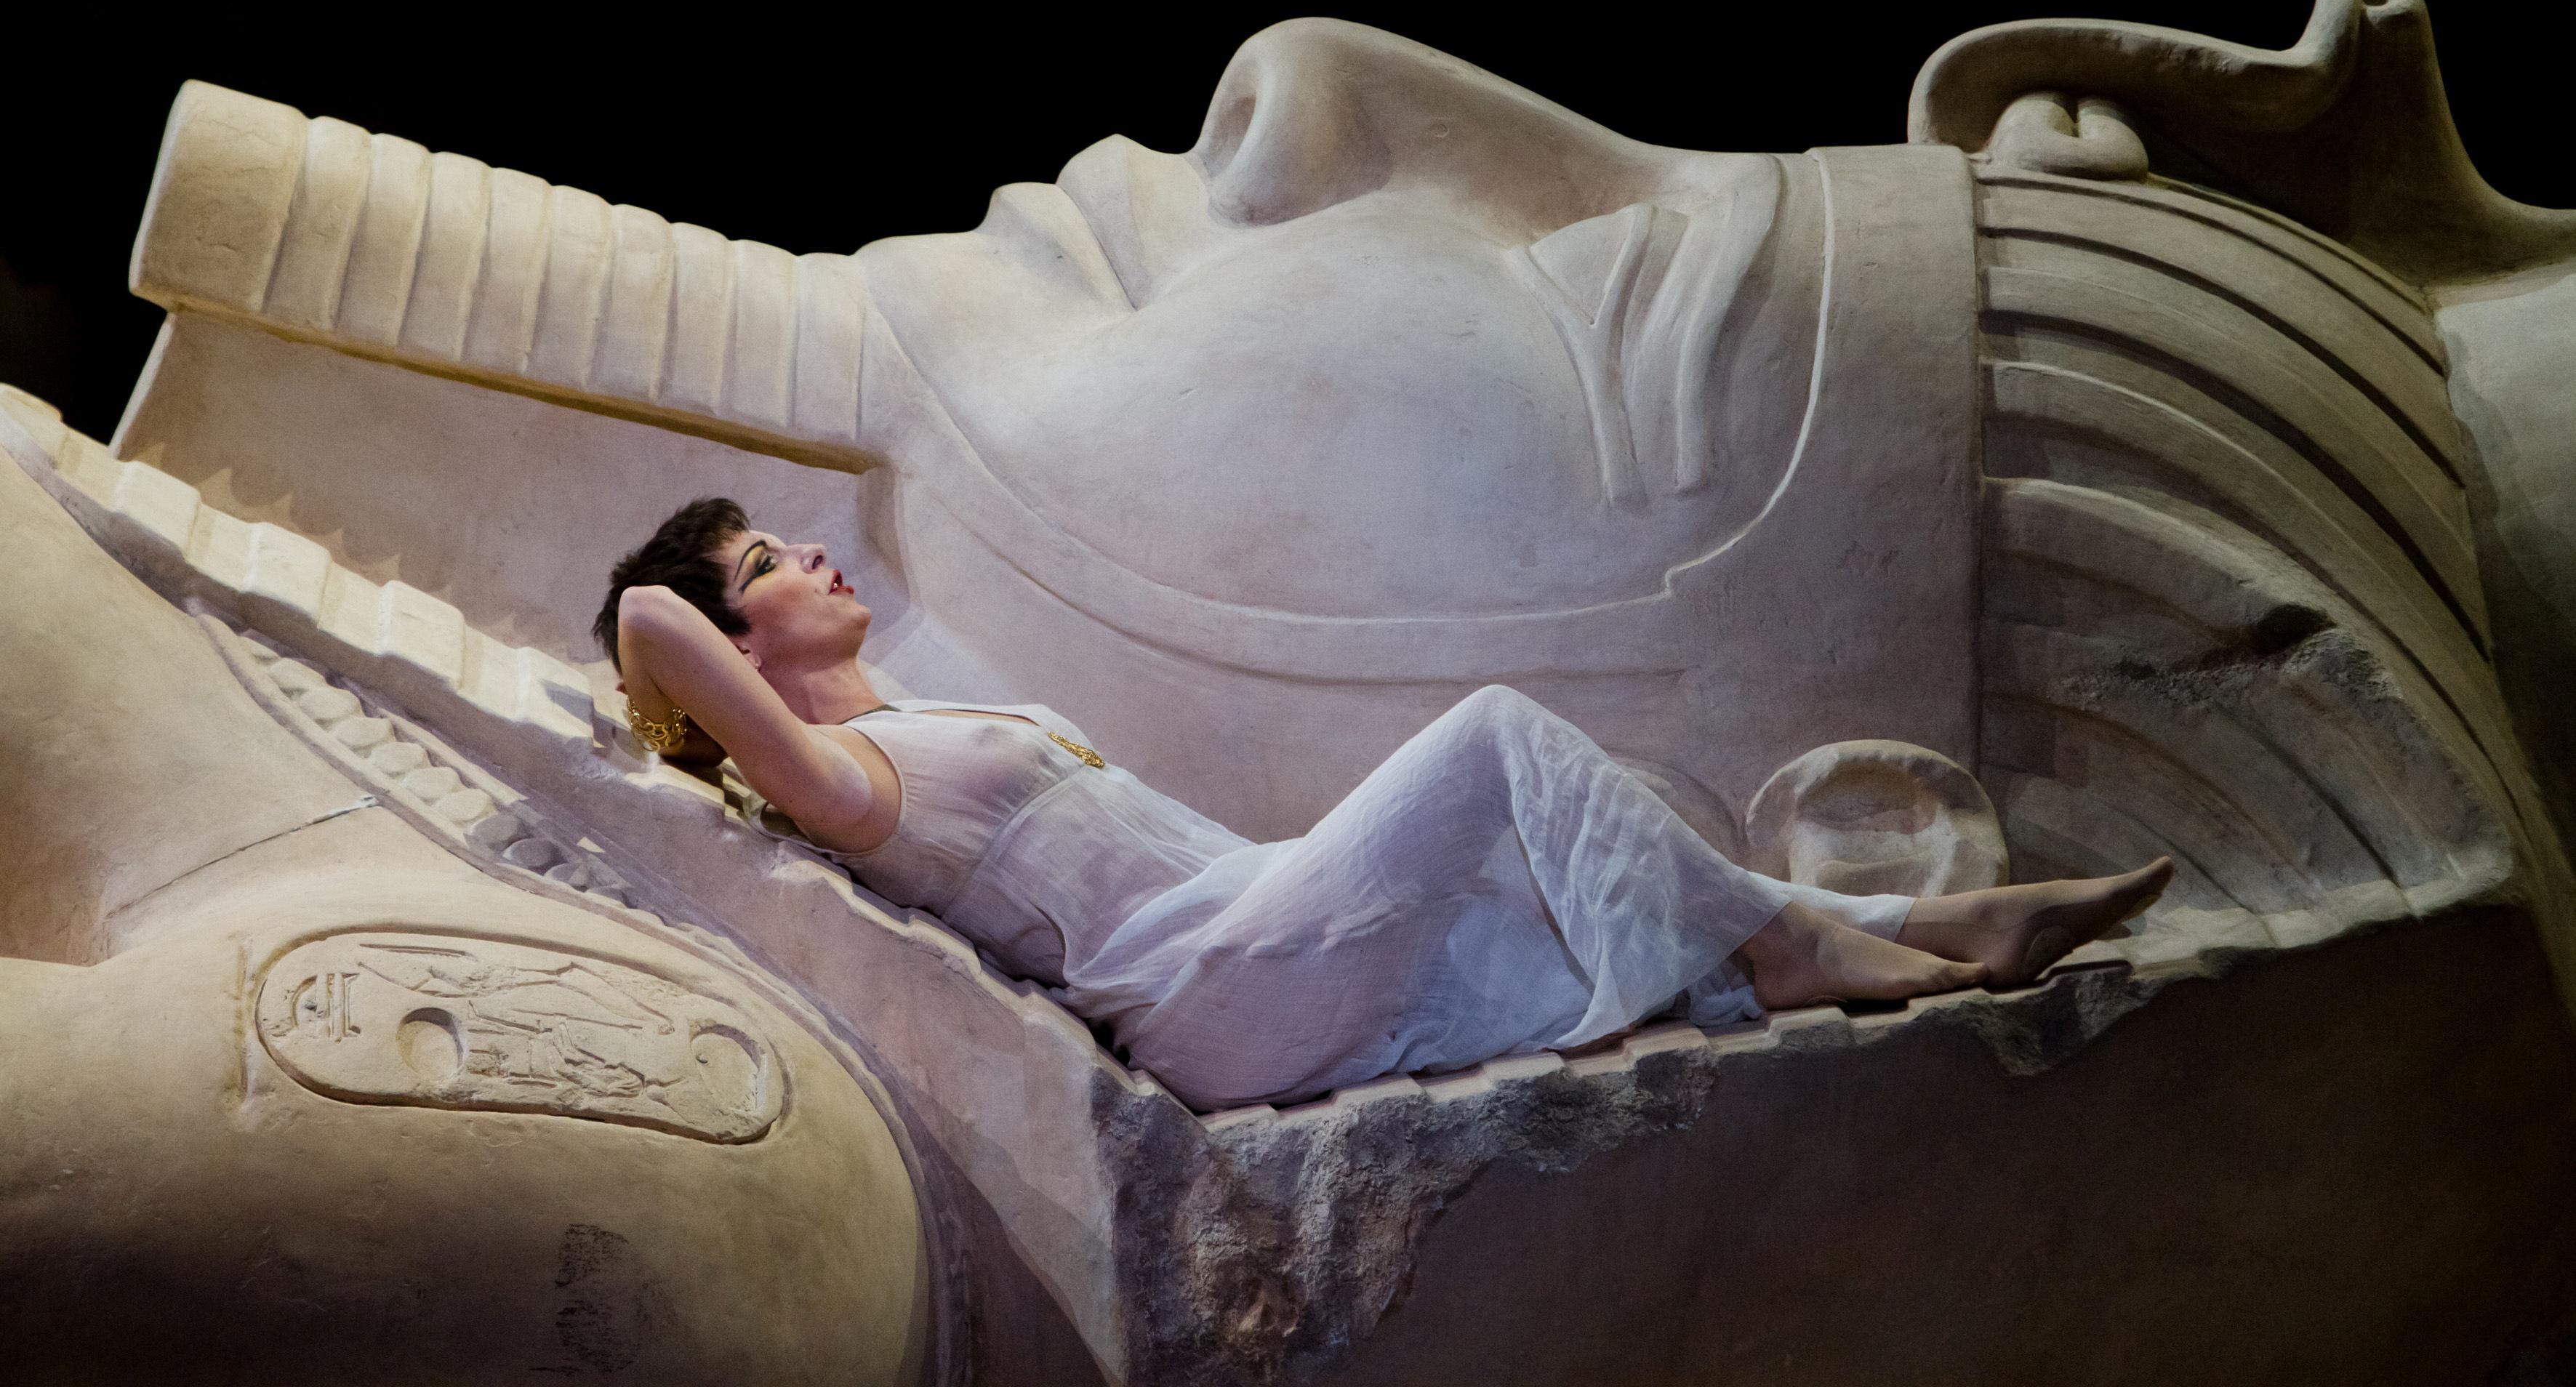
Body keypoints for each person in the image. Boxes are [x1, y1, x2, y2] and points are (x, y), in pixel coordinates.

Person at [599, 497, 2171, 1111]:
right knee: (1493, 737)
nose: (815, 554)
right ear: (741, 653)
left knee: (1549, 868)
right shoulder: (843, 787)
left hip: (1258, 914)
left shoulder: (917, 718)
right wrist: (659, 681)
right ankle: (1809, 952)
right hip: (1206, 990)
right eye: (770, 565)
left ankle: (1937, 924)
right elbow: (655, 621)